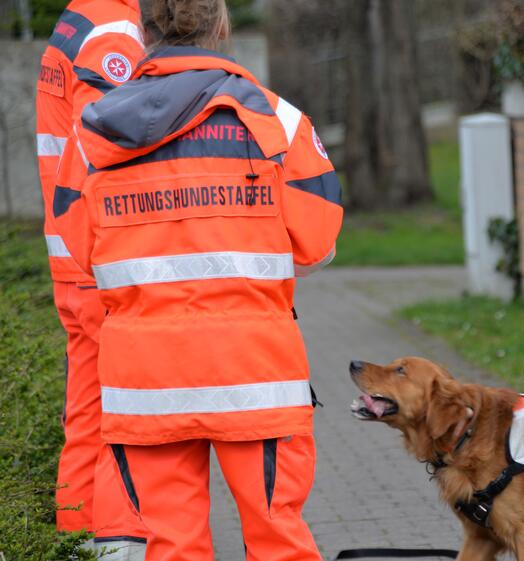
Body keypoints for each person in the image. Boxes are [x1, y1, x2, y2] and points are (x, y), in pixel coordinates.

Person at [54, 0, 343, 558]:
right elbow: (318, 243)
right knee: (278, 540)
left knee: (172, 544)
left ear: (142, 31)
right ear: (221, 25)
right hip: (255, 375)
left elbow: (79, 250)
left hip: (145, 383)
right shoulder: (276, 121)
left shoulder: (91, 131)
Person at [35, 0, 148, 555]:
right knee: (126, 420)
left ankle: (75, 540)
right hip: (103, 258)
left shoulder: (82, 15)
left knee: (87, 412)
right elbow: (107, 143)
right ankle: (119, 545)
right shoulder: (114, 30)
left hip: (75, 257)